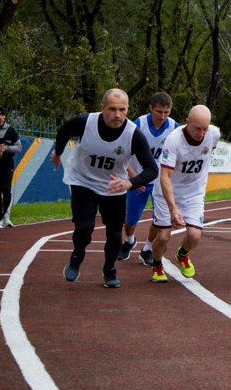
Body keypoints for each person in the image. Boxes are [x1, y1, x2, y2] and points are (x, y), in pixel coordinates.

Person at [50, 89, 158, 288]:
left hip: (114, 186)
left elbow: (152, 169)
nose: (117, 115)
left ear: (127, 110)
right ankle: (77, 254)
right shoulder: (85, 122)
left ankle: (109, 269)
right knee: (84, 227)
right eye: (112, 109)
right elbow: (64, 130)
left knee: (115, 233)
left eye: (122, 110)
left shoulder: (133, 134)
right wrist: (58, 152)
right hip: (83, 180)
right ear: (102, 108)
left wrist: (130, 183)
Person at [150, 105, 220, 283]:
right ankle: (157, 264)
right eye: (197, 128)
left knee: (195, 235)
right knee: (164, 236)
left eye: (205, 128)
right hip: (167, 190)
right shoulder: (174, 140)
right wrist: (173, 208)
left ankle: (182, 255)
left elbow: (208, 152)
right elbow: (165, 176)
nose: (202, 134)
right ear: (187, 122)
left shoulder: (213, 134)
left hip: (194, 191)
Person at [118, 92, 179, 265]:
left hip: (160, 181)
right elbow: (122, 153)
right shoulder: (138, 125)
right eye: (159, 112)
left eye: (166, 112)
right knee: (130, 220)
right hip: (139, 177)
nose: (162, 116)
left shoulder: (174, 127)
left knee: (160, 221)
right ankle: (129, 241)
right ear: (150, 108)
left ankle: (147, 248)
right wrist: (133, 177)